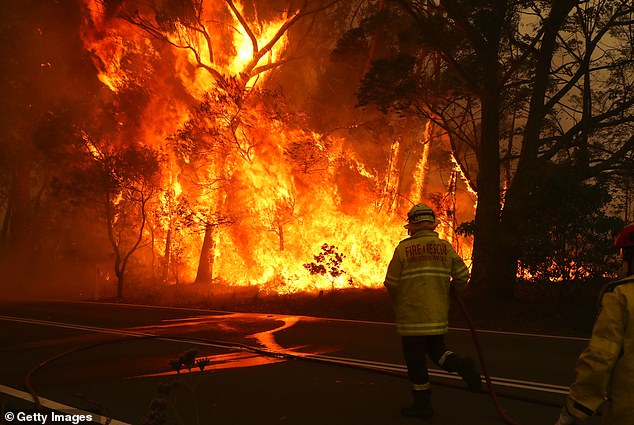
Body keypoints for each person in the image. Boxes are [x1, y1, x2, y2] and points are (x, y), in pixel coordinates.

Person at [384, 203, 481, 420]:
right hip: (437, 315)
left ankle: (423, 406)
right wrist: (450, 294)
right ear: (432, 225)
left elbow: (390, 282)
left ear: (412, 227)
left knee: (416, 363)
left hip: (412, 318)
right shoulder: (445, 248)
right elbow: (462, 276)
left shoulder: (403, 250)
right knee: (438, 351)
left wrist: (398, 301)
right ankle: (461, 364)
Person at [555, 222, 634, 425]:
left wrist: (576, 408)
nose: (622, 260)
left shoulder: (622, 296)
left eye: (625, 254)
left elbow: (601, 358)